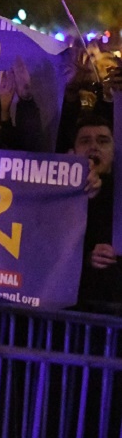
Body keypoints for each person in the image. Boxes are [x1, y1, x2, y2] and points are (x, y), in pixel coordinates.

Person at [73, 114, 122, 312]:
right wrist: (86, 258)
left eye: (103, 141)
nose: (93, 147)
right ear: (72, 152)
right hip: (69, 312)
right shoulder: (54, 197)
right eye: (85, 141)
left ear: (114, 152)